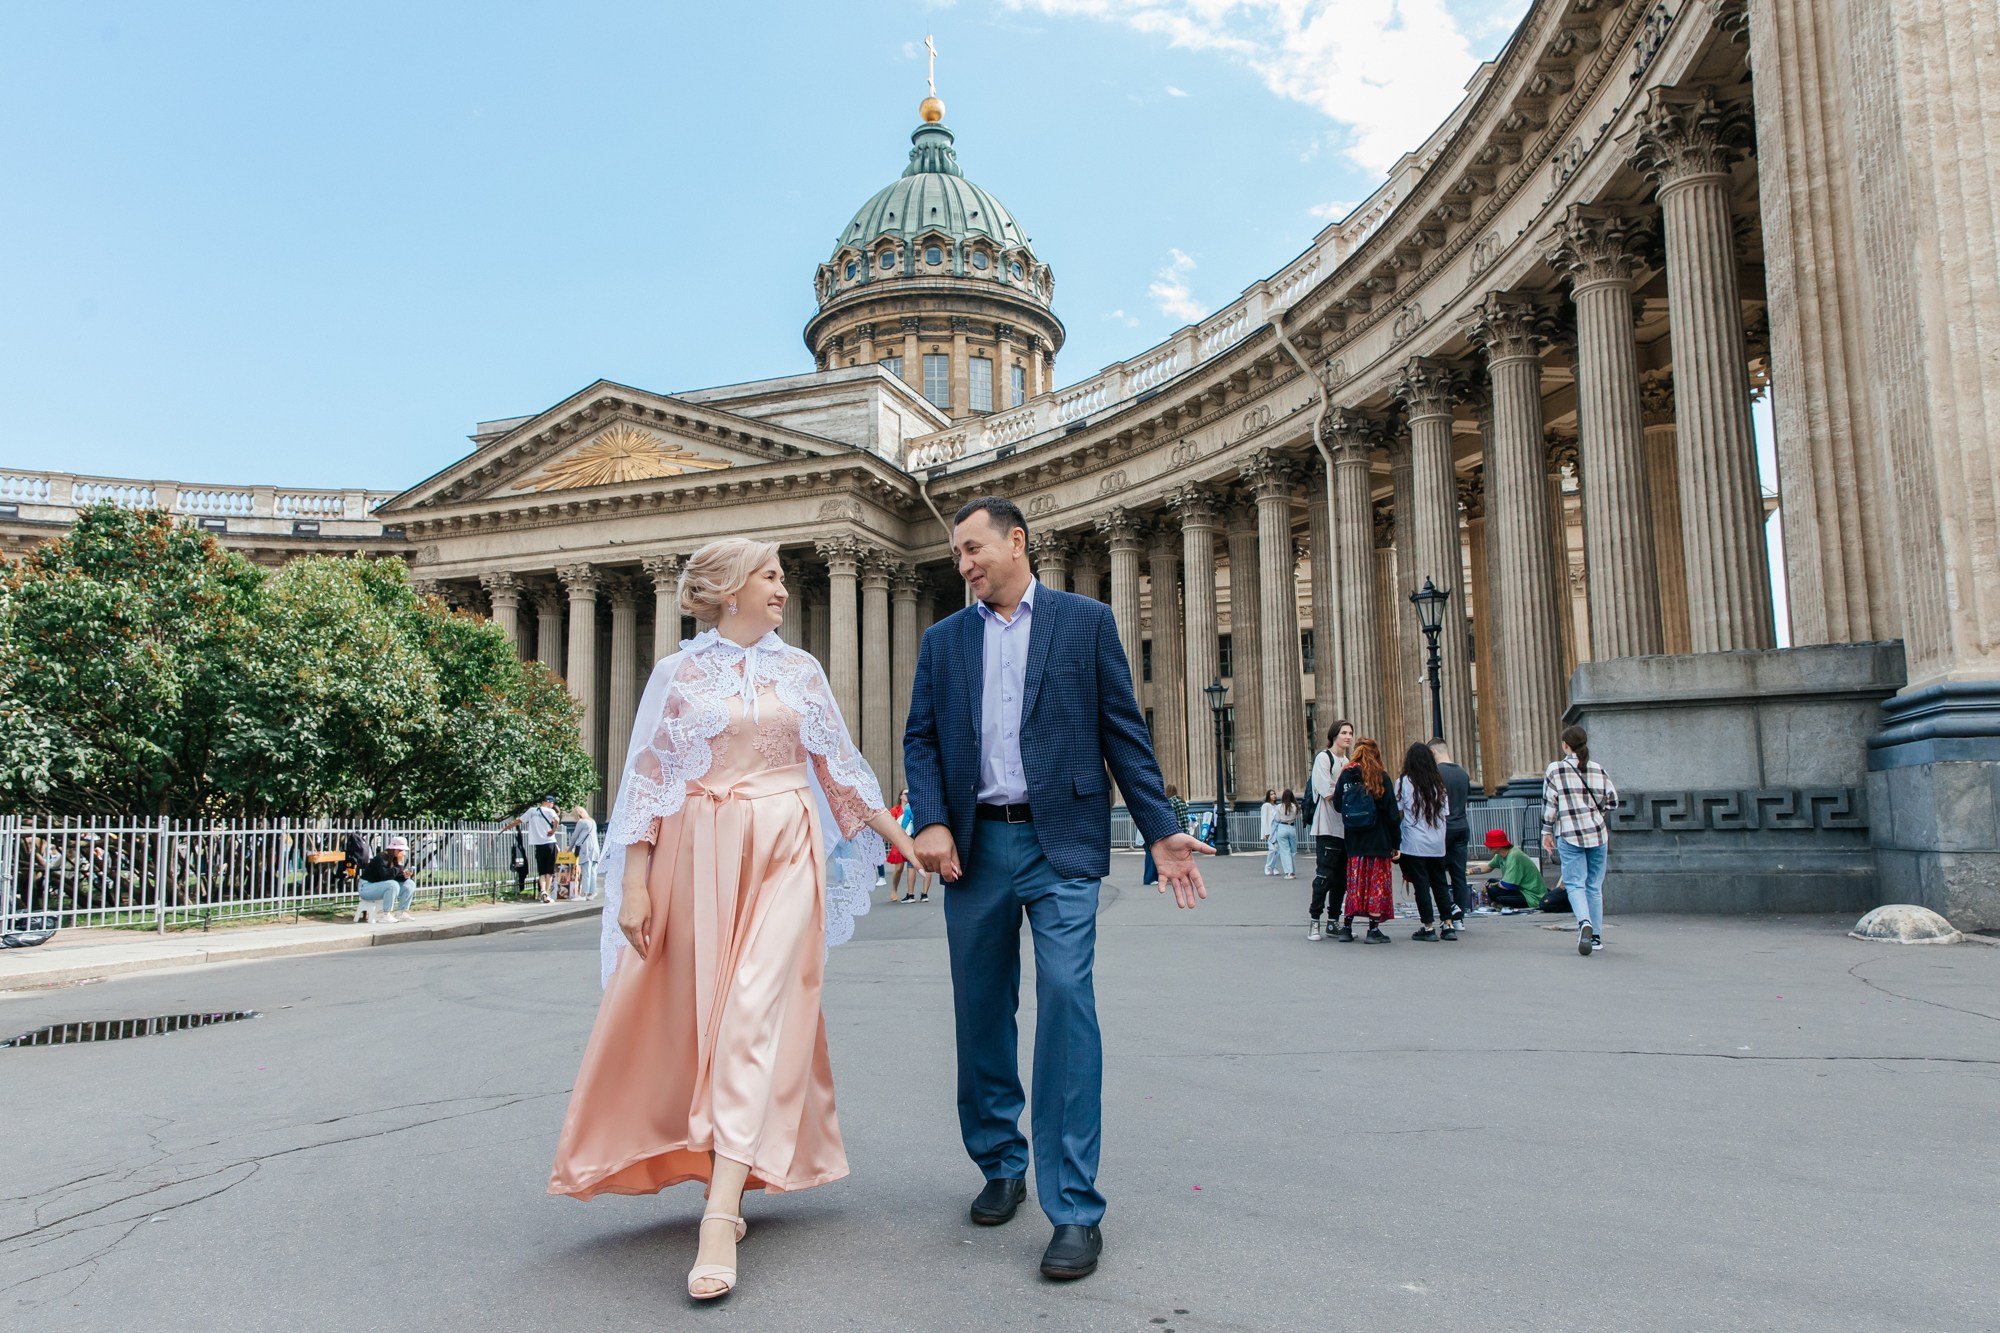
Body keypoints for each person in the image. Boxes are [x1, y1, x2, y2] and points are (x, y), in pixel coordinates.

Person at [548, 538, 919, 1301]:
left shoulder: (802, 671)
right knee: (709, 1025)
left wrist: (904, 841)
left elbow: (841, 769)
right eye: (771, 576)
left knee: (753, 1011)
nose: (783, 589)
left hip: (786, 848)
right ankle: (731, 1171)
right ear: (727, 590)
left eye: (782, 577)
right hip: (699, 852)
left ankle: (719, 1215)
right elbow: (648, 782)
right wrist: (636, 886)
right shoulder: (678, 673)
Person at [904, 495, 1211, 1284]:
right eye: (956, 554)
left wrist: (1160, 826)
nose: (964, 563)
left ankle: (1073, 1206)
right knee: (982, 1009)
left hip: (1060, 838)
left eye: (973, 548)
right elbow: (923, 739)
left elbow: (1122, 733)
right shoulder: (944, 641)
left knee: (1068, 999)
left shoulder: (1085, 622)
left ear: (1016, 541)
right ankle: (1001, 1159)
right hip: (973, 846)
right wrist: (931, 820)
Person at [1542, 723, 1620, 957]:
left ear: (1565, 745)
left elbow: (1550, 805)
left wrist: (1546, 832)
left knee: (1575, 884)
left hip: (1569, 833)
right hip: (1597, 833)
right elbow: (1613, 801)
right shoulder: (1598, 769)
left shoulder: (1556, 769)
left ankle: (1583, 922)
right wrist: (1596, 814)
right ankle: (1595, 936)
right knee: (1594, 887)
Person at [1331, 738, 1398, 942]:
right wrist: (1396, 844)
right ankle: (1373, 929)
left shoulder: (1346, 775)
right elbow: (1392, 814)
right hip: (1378, 840)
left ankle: (1347, 927)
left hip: (1354, 841)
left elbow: (1337, 804)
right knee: (1375, 885)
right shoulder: (1381, 777)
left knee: (1355, 885)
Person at [1396, 743, 1456, 941]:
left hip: (1414, 842)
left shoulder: (1404, 781)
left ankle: (1428, 927)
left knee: (1421, 886)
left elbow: (1399, 811)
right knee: (1440, 883)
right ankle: (1448, 925)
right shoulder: (1439, 783)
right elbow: (1445, 813)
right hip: (1437, 842)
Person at [1306, 720, 1354, 940]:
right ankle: (1314, 921)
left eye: (1350, 733)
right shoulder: (1324, 758)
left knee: (1342, 880)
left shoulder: (1349, 761)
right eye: (1344, 732)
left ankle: (1333, 920)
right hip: (1326, 826)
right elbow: (1327, 792)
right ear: (1334, 735)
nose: (1348, 736)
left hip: (1346, 827)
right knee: (1324, 876)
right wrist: (1351, 794)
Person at [1430, 739, 1472, 925]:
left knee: (1436, 873)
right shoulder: (1463, 773)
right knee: (1459, 875)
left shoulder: (1436, 773)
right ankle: (1459, 919)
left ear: (1433, 753)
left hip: (1444, 828)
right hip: (1462, 826)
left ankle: (1448, 910)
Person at [501, 795, 562, 901]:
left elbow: (517, 821)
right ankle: (546, 894)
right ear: (550, 803)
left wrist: (505, 828)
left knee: (541, 871)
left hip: (538, 844)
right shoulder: (550, 811)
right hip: (549, 843)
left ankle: (542, 890)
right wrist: (553, 830)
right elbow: (557, 819)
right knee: (549, 871)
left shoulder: (531, 811)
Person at [1472, 828, 1548, 910]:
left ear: (1497, 846)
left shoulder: (1514, 856)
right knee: (1491, 882)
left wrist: (1490, 886)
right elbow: (1488, 867)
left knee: (1493, 890)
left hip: (1531, 896)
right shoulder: (1501, 854)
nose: (1488, 848)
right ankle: (1500, 903)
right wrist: (1468, 872)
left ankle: (1503, 904)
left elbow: (1509, 885)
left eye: (1490, 846)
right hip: (1520, 890)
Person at [887, 789, 933, 903]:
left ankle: (911, 894)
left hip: (915, 835)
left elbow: (904, 825)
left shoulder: (908, 807)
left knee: (912, 865)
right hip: (929, 834)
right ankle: (925, 894)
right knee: (928, 864)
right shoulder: (928, 803)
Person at [1143, 784, 1193, 886]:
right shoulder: (1182, 801)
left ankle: (1176, 876)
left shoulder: (1171, 802)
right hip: (1183, 832)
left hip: (1173, 832)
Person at [357, 836, 414, 923]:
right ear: (395, 850)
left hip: (381, 886)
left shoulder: (394, 859)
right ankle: (386, 914)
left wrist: (405, 876)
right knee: (392, 884)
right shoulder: (381, 858)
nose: (404, 853)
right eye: (401, 851)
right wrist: (398, 864)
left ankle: (401, 912)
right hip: (366, 887)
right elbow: (387, 877)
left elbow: (396, 876)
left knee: (410, 884)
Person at [1269, 789, 1301, 879]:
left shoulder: (1279, 806)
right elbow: (1298, 816)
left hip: (1282, 827)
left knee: (1284, 851)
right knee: (1293, 851)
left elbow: (1277, 819)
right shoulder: (1295, 806)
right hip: (1292, 827)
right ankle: (1293, 871)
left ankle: (1289, 872)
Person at [568, 807, 600, 900]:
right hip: (595, 848)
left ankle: (584, 894)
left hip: (586, 848)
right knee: (593, 872)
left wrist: (570, 848)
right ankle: (592, 893)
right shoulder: (592, 821)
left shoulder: (581, 822)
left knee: (586, 871)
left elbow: (574, 836)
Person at [1259, 788, 1282, 875]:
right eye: (1271, 794)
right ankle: (1268, 866)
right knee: (1272, 850)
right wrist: (1266, 832)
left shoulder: (1277, 807)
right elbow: (1264, 819)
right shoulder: (1266, 806)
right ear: (1268, 796)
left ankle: (1274, 867)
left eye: (1274, 794)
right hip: (1269, 831)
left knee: (1277, 850)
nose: (1274, 795)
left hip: (1277, 830)